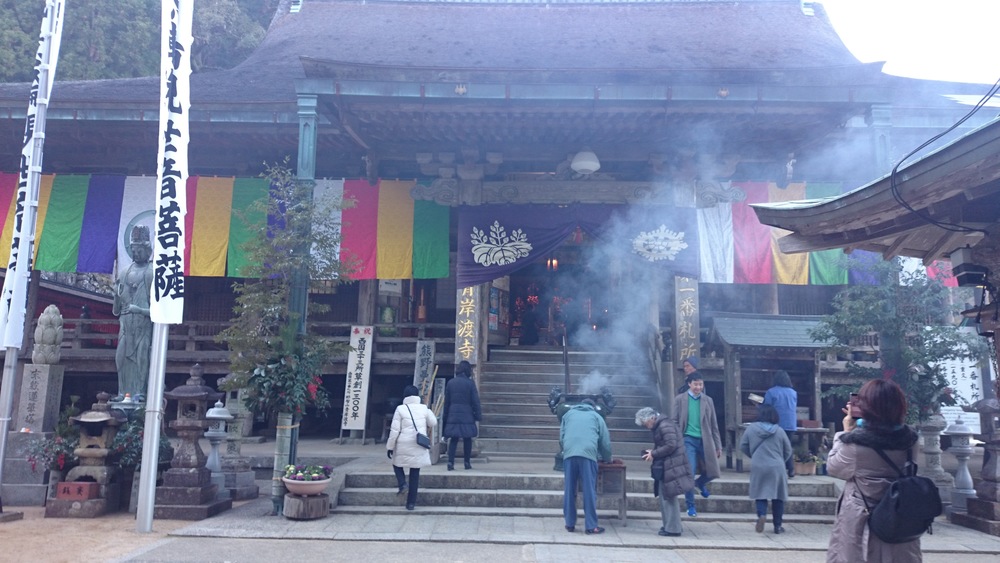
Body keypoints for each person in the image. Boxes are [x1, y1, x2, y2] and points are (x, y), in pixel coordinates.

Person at [826, 379, 921, 563]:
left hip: (863, 515)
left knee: (859, 554)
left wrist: (844, 432)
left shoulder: (855, 444)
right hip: (899, 514)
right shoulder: (911, 441)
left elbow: (834, 467)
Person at [672, 364, 722, 517]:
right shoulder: (680, 400)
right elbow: (674, 421)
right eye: (695, 384)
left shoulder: (708, 401)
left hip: (705, 439)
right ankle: (690, 506)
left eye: (700, 384)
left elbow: (714, 424)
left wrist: (718, 444)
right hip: (688, 439)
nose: (698, 387)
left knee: (713, 471)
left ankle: (700, 483)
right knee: (690, 472)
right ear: (689, 384)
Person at [636, 407, 693, 537]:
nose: (647, 427)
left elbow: (671, 445)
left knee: (669, 496)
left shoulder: (664, 425)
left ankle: (673, 528)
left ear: (651, 418)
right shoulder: (663, 424)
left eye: (646, 424)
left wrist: (654, 453)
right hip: (668, 464)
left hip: (671, 465)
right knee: (666, 495)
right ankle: (670, 525)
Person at [560, 398, 613, 535]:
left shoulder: (568, 415)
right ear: (592, 407)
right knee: (589, 490)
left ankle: (569, 523)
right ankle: (591, 526)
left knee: (569, 489)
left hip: (569, 454)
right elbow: (605, 441)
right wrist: (607, 458)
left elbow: (561, 438)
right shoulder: (596, 416)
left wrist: (568, 449)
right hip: (588, 455)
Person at [113, 225, 154, 401]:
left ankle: (140, 392)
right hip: (125, 324)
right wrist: (116, 295)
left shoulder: (151, 273)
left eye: (139, 250)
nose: (136, 254)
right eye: (133, 250)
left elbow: (157, 311)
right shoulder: (124, 273)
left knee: (141, 357)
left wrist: (141, 310)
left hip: (142, 325)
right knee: (120, 358)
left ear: (148, 250)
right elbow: (116, 310)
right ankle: (122, 392)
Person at [740, 404, 792, 534]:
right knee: (778, 497)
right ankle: (777, 526)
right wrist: (781, 460)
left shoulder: (751, 429)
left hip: (759, 465)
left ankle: (762, 515)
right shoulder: (779, 431)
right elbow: (788, 450)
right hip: (777, 466)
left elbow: (743, 446)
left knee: (760, 493)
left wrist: (754, 455)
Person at [387, 384, 438, 511]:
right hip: (418, 443)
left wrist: (390, 447)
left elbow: (394, 430)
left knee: (397, 464)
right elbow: (433, 422)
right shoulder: (424, 408)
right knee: (415, 473)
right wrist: (428, 411)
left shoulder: (400, 409)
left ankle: (403, 484)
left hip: (403, 443)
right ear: (417, 396)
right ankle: (411, 504)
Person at [442, 360, 482, 471]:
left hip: (453, 413)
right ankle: (467, 462)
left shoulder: (451, 383)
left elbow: (447, 402)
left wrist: (445, 417)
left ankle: (450, 462)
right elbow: (475, 401)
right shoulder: (470, 383)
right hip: (467, 414)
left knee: (453, 439)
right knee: (467, 439)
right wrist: (478, 415)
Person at [763, 370, 798, 478]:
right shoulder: (793, 392)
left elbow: (767, 407)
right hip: (791, 423)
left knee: (775, 447)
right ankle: (791, 469)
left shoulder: (771, 392)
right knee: (788, 446)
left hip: (776, 423)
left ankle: (779, 469)